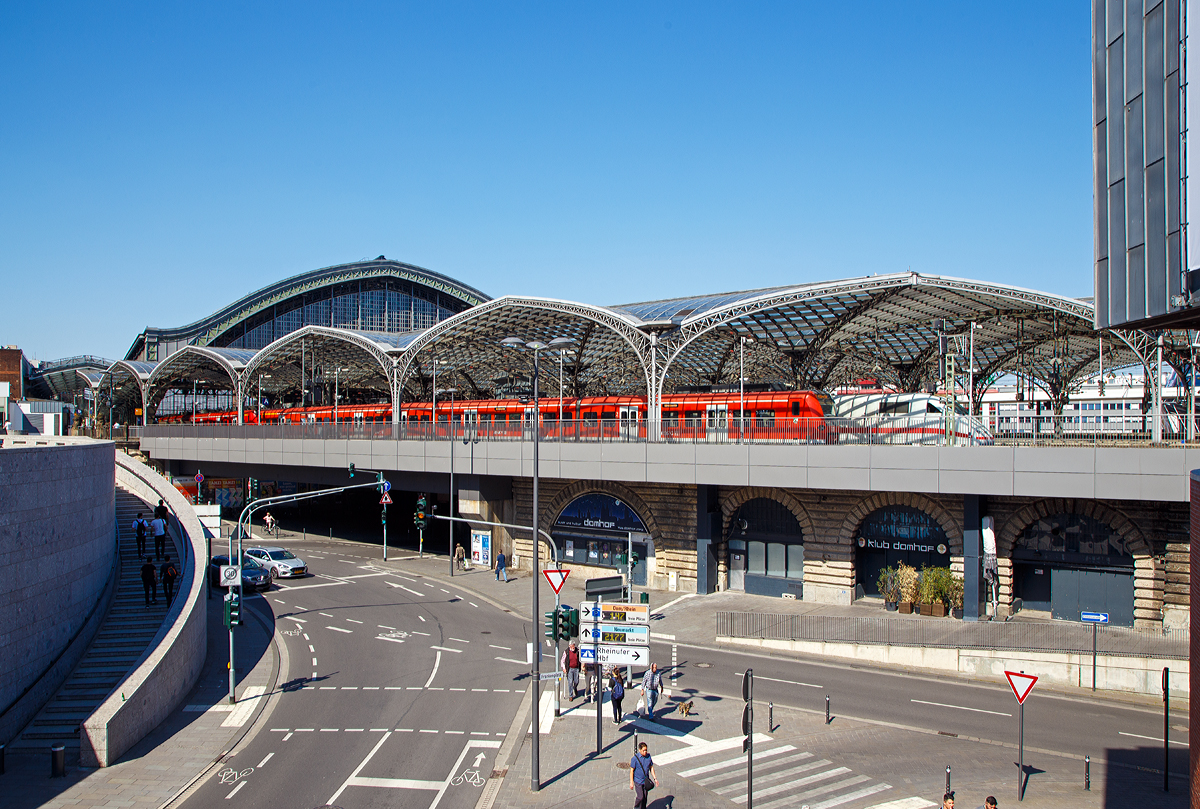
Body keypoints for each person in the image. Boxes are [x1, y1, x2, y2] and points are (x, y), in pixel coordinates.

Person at [629, 741, 658, 809]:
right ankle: (636, 807)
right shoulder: (635, 759)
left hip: (645, 781)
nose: (645, 752)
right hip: (638, 781)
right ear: (640, 750)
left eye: (646, 750)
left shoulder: (648, 757)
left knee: (645, 797)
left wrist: (655, 778)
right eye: (643, 750)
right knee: (640, 797)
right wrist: (631, 782)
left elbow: (651, 767)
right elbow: (631, 770)